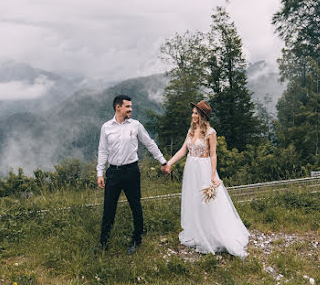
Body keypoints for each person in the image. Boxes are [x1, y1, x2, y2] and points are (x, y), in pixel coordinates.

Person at [163, 100, 249, 258]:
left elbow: (213, 154)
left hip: (204, 168)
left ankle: (212, 234)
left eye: (196, 113)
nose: (193, 115)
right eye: (193, 112)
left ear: (202, 116)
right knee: (194, 199)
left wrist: (212, 175)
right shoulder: (191, 130)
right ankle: (197, 230)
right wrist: (169, 163)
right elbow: (183, 150)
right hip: (191, 168)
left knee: (207, 201)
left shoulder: (210, 132)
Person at [97, 95, 168, 255]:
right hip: (113, 172)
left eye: (130, 106)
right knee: (108, 208)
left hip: (131, 171)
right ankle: (103, 242)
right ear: (118, 108)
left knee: (136, 207)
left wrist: (163, 162)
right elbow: (102, 150)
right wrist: (99, 173)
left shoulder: (135, 125)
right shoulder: (106, 127)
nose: (131, 109)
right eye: (128, 107)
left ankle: (137, 240)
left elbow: (149, 143)